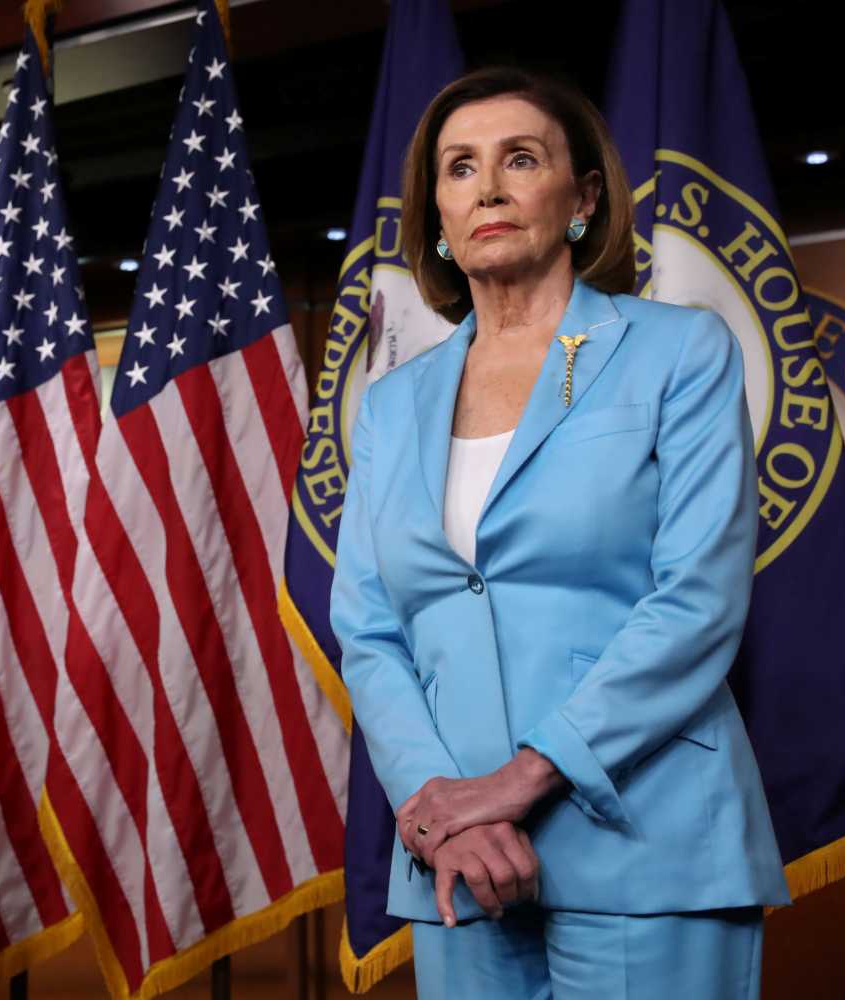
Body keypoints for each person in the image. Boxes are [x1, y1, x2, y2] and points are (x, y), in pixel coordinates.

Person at [328, 66, 788, 998]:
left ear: (582, 200)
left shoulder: (678, 351)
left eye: (520, 159)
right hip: (461, 857)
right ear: (437, 214)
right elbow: (369, 632)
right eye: (460, 168)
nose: (488, 189)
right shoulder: (391, 404)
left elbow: (698, 600)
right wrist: (438, 807)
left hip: (648, 840)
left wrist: (523, 779)